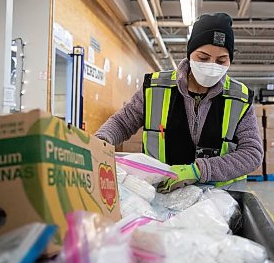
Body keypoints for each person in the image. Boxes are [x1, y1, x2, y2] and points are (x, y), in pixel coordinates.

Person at [95, 13, 263, 193]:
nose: (212, 65)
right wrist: (100, 143)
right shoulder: (156, 88)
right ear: (190, 54)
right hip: (160, 194)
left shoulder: (240, 98)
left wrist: (199, 170)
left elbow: (252, 153)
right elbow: (122, 123)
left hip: (218, 201)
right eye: (203, 58)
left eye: (221, 60)